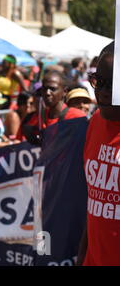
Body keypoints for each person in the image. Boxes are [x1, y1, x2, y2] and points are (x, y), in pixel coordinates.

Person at [77, 41, 120, 266]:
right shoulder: (95, 123)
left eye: (111, 85)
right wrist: (82, 255)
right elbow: (95, 202)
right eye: (98, 82)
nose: (101, 93)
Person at [16, 71, 86, 144]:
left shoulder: (76, 117)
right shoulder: (33, 119)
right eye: (44, 89)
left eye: (53, 89)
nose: (47, 93)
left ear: (64, 91)